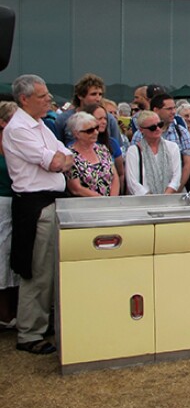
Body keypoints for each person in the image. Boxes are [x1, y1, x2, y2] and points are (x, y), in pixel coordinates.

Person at [5, 74, 73, 355]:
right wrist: (59, 162)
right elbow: (56, 160)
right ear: (24, 99)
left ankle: (45, 323)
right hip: (35, 206)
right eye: (43, 96)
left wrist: (60, 161)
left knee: (55, 268)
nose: (48, 100)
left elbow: (66, 156)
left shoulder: (41, 127)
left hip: (53, 201)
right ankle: (30, 332)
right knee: (38, 271)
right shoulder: (18, 129)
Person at [131, 93, 190, 193]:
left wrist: (175, 190)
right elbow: (134, 166)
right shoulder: (139, 134)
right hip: (146, 193)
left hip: (176, 190)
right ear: (156, 110)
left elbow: (188, 164)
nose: (173, 112)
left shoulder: (181, 132)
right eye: (169, 109)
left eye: (174, 108)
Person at [54, 73, 124, 147]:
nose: (98, 99)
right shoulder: (63, 119)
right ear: (80, 96)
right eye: (93, 94)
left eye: (100, 94)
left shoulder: (109, 119)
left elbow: (118, 148)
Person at [125, 111, 181, 195]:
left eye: (160, 125)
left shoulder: (173, 147)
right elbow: (132, 182)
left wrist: (165, 196)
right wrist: (152, 199)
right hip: (143, 202)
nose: (158, 129)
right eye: (152, 127)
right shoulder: (133, 151)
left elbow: (176, 178)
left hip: (168, 200)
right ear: (141, 130)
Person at [65, 112, 120, 197]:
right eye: (89, 131)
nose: (96, 132)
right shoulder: (69, 156)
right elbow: (76, 188)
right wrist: (101, 201)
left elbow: (115, 177)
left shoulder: (103, 149)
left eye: (96, 128)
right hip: (86, 205)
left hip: (110, 204)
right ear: (77, 134)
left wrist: (112, 200)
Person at [0, 101, 19, 330]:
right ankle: (4, 313)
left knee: (12, 257)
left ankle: (12, 310)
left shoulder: (17, 144)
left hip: (17, 204)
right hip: (2, 206)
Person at [81, 102, 125, 191]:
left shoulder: (112, 143)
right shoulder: (75, 146)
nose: (104, 121)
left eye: (105, 118)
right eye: (99, 118)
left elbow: (120, 173)